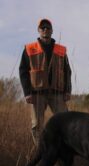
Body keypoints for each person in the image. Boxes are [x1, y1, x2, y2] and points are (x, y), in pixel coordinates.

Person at [19, 18, 71, 146]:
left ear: (52, 31)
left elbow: (67, 71)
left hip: (57, 93)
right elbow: (23, 71)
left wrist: (68, 91)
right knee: (37, 125)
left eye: (48, 27)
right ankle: (40, 152)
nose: (45, 30)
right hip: (37, 93)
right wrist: (27, 92)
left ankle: (64, 151)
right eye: (43, 28)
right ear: (38, 30)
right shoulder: (29, 48)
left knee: (66, 122)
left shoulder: (61, 50)